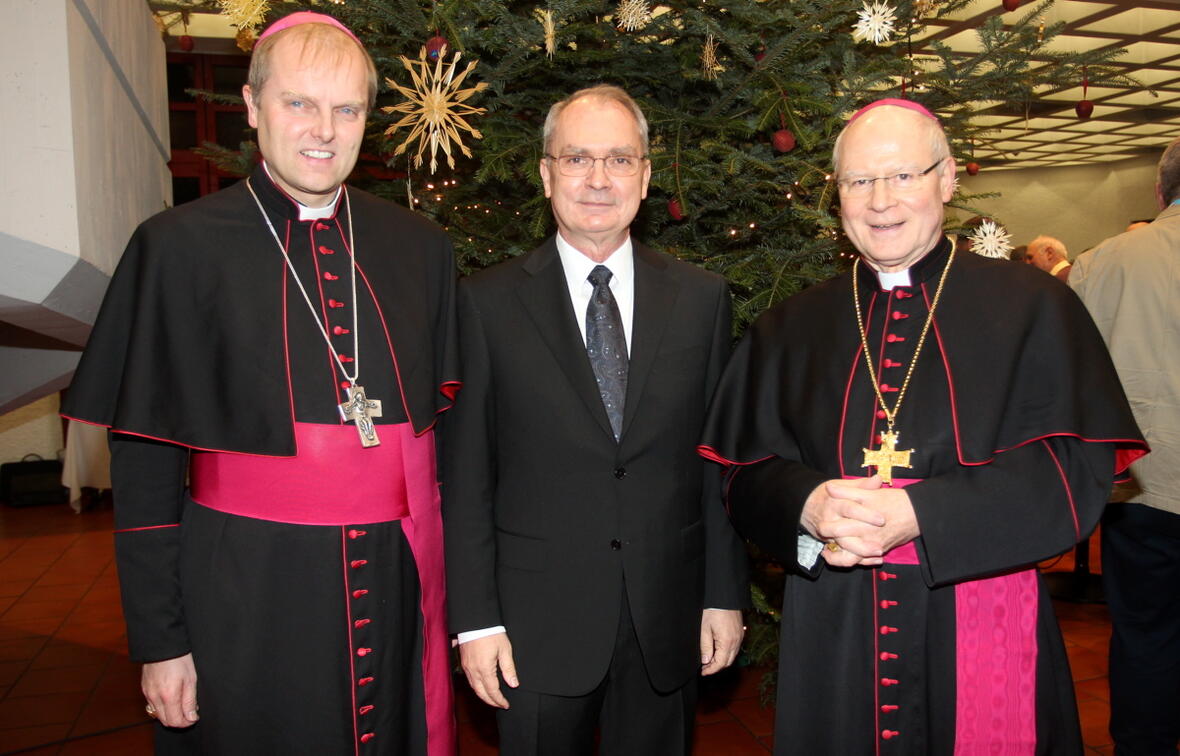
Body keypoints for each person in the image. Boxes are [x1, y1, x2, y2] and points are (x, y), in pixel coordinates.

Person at [698, 98, 1147, 755]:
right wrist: (808, 502)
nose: (881, 200)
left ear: (947, 179)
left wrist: (924, 513)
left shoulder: (1033, 307)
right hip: (835, 618)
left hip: (979, 603)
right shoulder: (792, 326)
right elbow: (740, 475)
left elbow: (1071, 470)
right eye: (859, 181)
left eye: (904, 175)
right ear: (837, 196)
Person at [61, 12, 459, 754]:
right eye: (298, 103)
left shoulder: (420, 249)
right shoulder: (176, 250)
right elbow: (145, 470)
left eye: (347, 109)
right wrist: (160, 641)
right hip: (244, 593)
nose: (324, 130)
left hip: (395, 581)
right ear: (251, 107)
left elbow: (452, 448)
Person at [441, 84, 748, 755]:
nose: (599, 179)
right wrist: (475, 623)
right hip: (533, 628)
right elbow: (466, 480)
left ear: (645, 174)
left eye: (619, 159)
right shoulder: (483, 305)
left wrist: (722, 595)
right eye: (578, 159)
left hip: (666, 619)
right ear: (546, 173)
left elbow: (716, 463)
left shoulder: (701, 301)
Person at [1069, 137, 1180, 756]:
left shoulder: (1103, 260)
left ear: (1161, 192)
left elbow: (1070, 377)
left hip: (1141, 484)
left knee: (1144, 634)